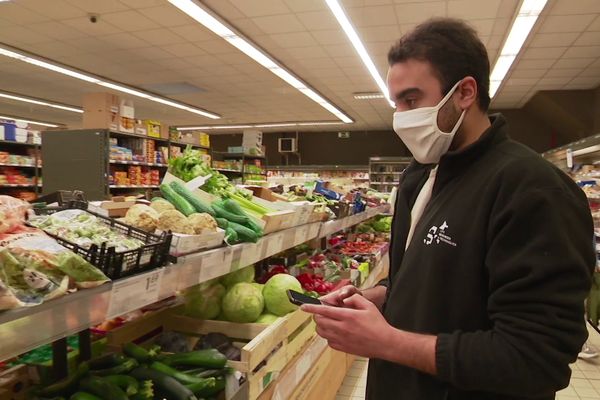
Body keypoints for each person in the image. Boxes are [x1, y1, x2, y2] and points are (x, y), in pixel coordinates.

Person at [301, 18, 595, 400]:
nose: (402, 118)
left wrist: (387, 342)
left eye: (412, 100)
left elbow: (536, 357)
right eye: (396, 104)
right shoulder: (417, 178)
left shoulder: (532, 190)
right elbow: (430, 280)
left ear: (465, 93)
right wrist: (383, 295)